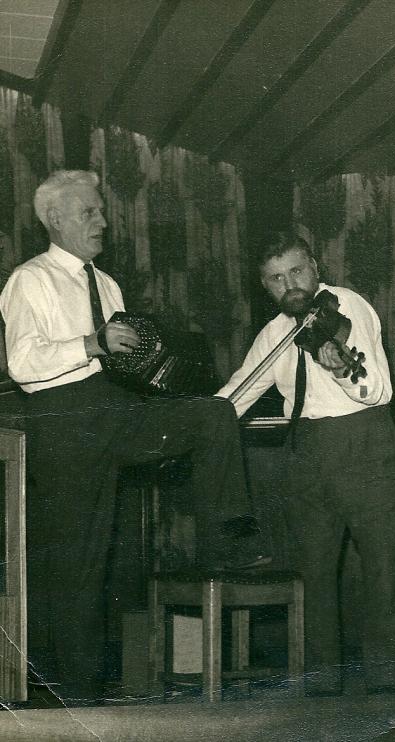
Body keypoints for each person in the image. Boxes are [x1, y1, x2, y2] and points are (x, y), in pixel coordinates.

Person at [0, 170, 267, 704]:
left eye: (100, 211)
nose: (102, 221)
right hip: (63, 423)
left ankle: (225, 545)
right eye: (88, 213)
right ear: (54, 219)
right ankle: (76, 701)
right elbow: (23, 363)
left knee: (213, 414)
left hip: (115, 409)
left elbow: (127, 365)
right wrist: (93, 342)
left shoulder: (107, 283)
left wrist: (163, 371)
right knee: (82, 566)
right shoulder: (30, 279)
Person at [217, 233, 395, 695]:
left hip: (363, 441)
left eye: (297, 271)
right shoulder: (275, 333)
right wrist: (198, 422)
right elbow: (239, 392)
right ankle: (322, 691)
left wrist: (342, 371)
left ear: (316, 266)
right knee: (314, 574)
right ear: (266, 286)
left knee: (380, 571)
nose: (290, 285)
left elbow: (378, 390)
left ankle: (387, 690)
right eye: (276, 278)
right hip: (304, 451)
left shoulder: (348, 307)